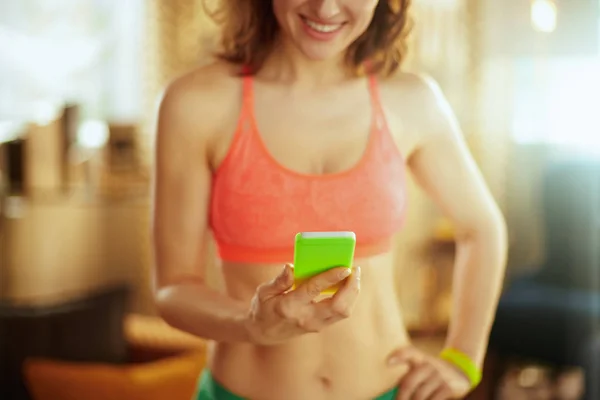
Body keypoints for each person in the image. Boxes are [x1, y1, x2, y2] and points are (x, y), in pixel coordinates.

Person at [151, 0, 508, 399]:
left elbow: (482, 229)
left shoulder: (412, 100)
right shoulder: (195, 102)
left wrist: (463, 358)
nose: (325, 7)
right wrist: (250, 323)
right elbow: (174, 288)